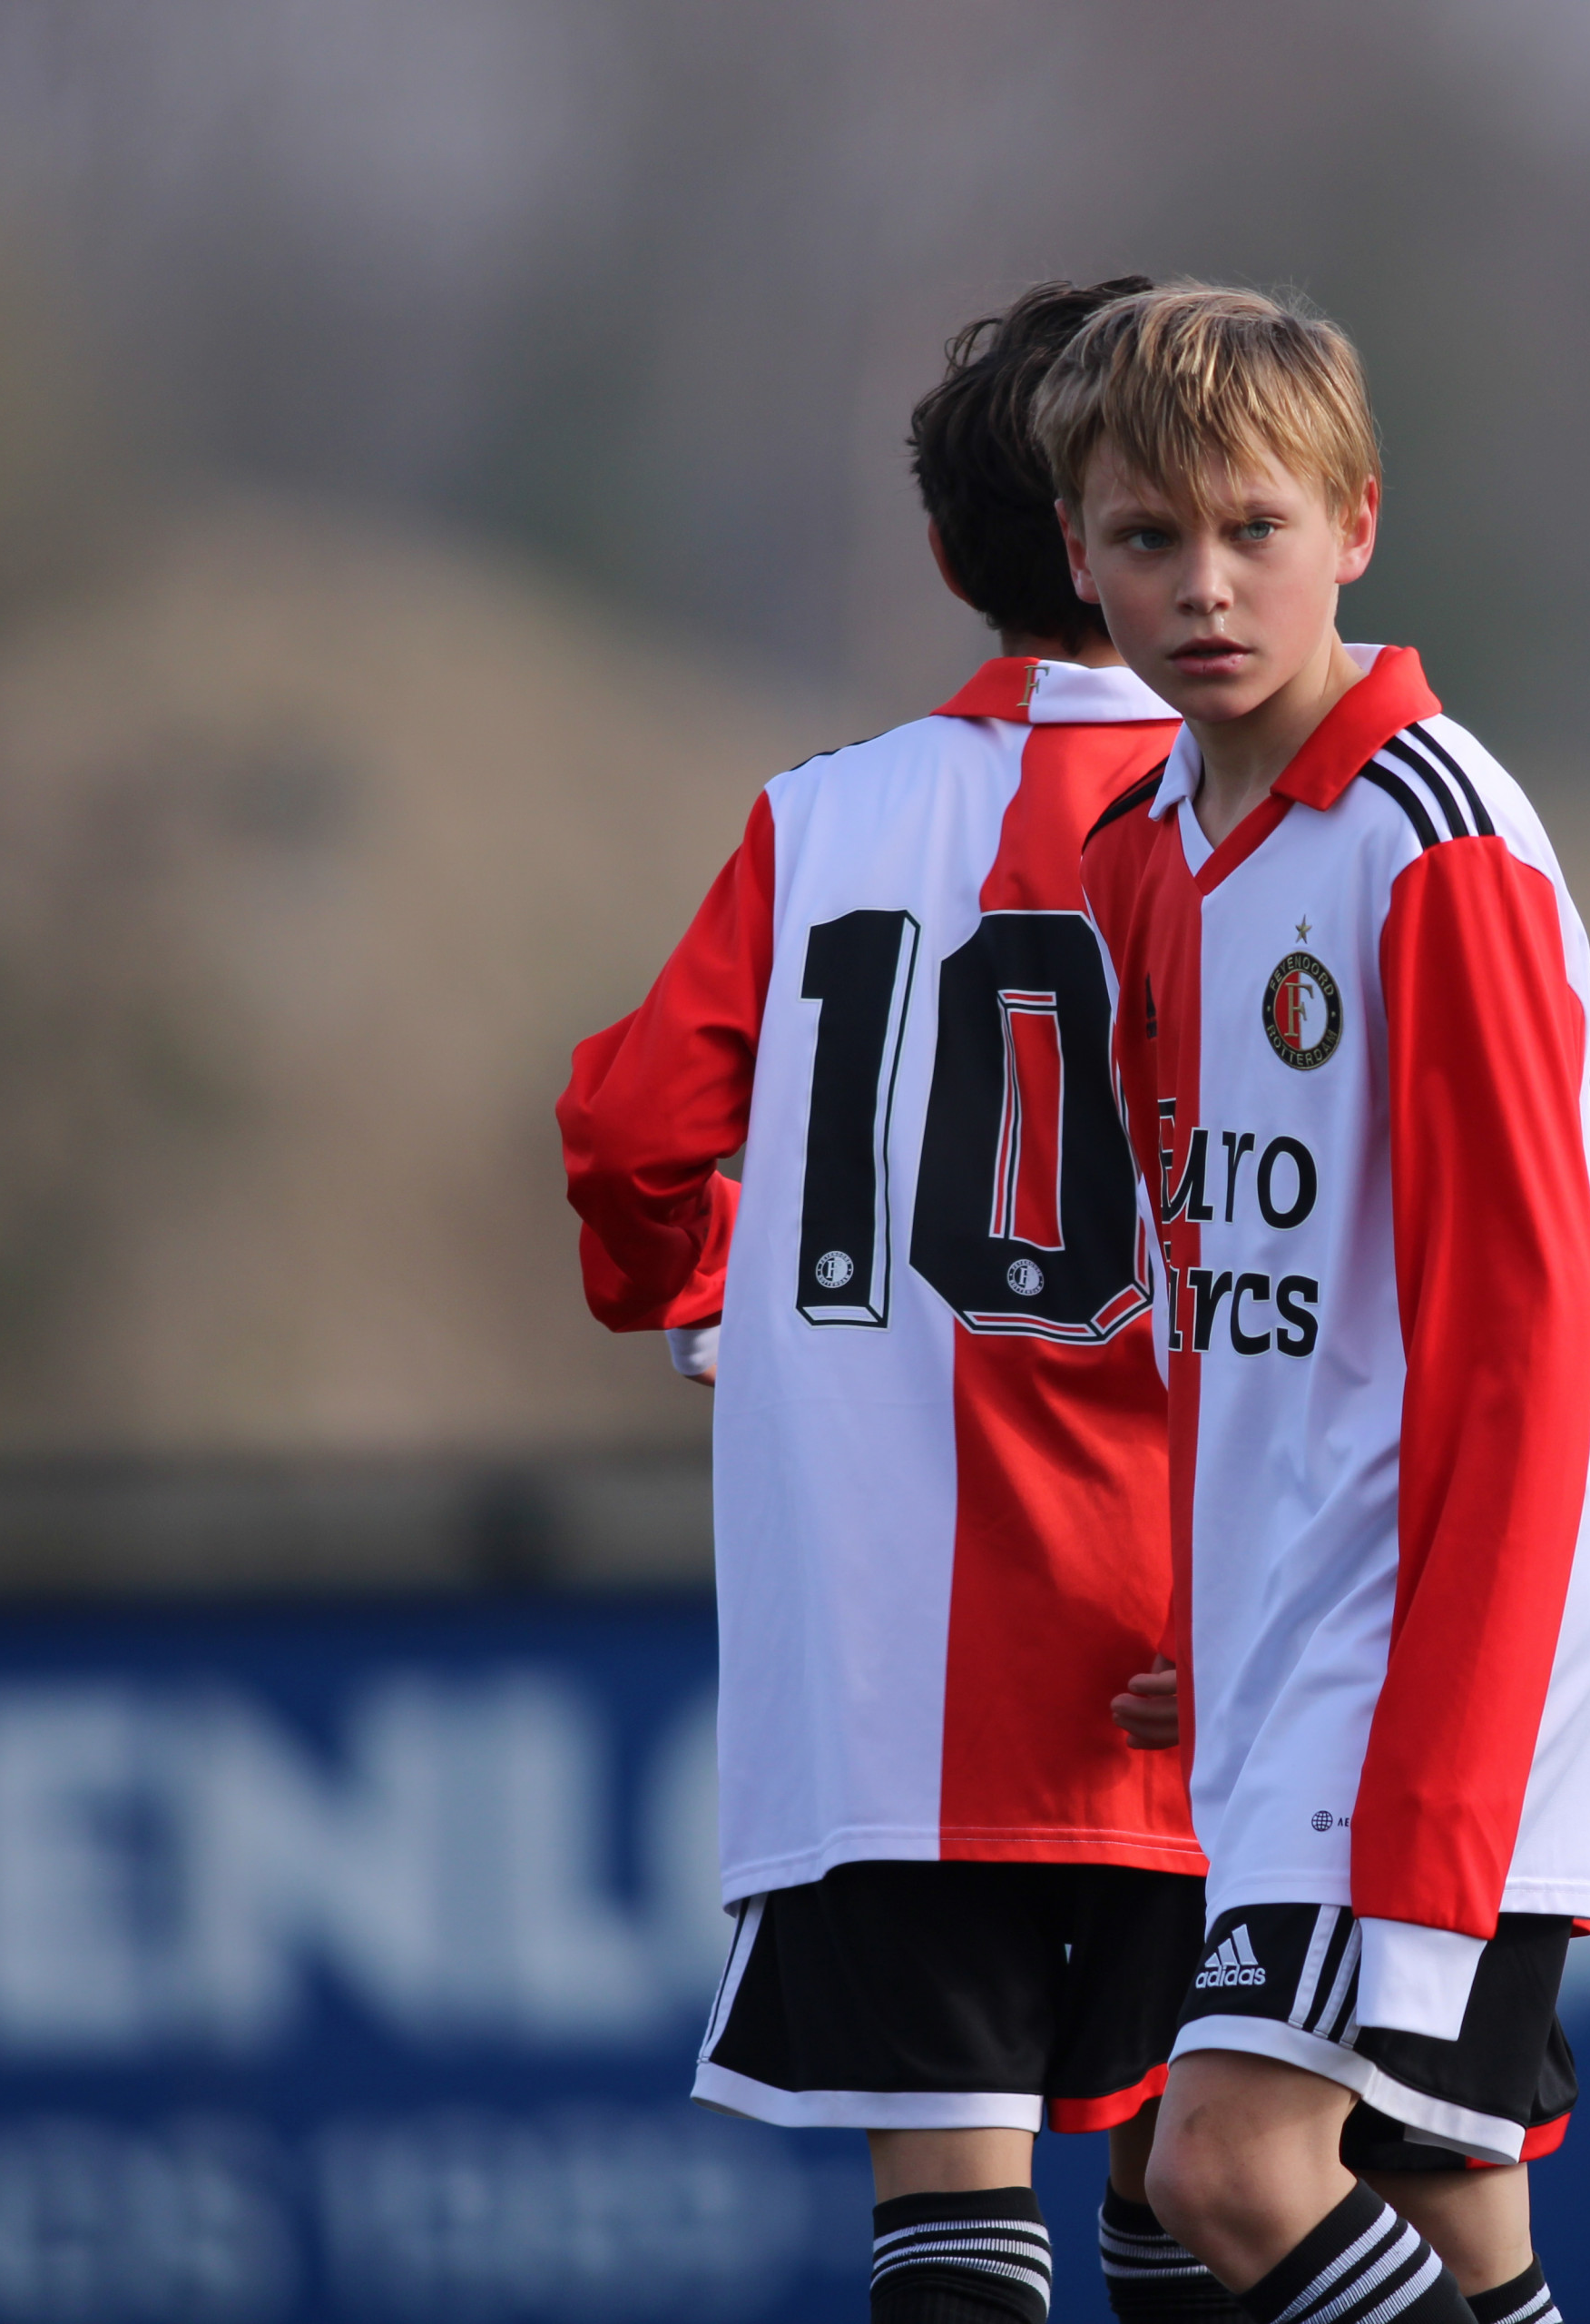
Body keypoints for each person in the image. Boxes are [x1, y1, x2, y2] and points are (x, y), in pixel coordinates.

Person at [558, 276, 1243, 2324]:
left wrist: (701, 1288)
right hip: (1199, 1629)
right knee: (1214, 2191)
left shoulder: (824, 818)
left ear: (951, 557)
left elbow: (632, 1134)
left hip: (888, 1666)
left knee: (951, 2227)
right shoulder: (1269, 819)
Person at [1054, 283, 1590, 2324]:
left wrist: (1439, 1766)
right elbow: (1219, 1298)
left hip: (1442, 1622)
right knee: (1437, 2207)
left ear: (1357, 525)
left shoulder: (1434, 843)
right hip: (1294, 1621)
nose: (1203, 586)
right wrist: (1210, 1613)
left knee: (1218, 2164)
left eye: (1255, 529)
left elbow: (1520, 1336)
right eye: (1148, 537)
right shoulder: (1141, 852)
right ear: (1080, 558)